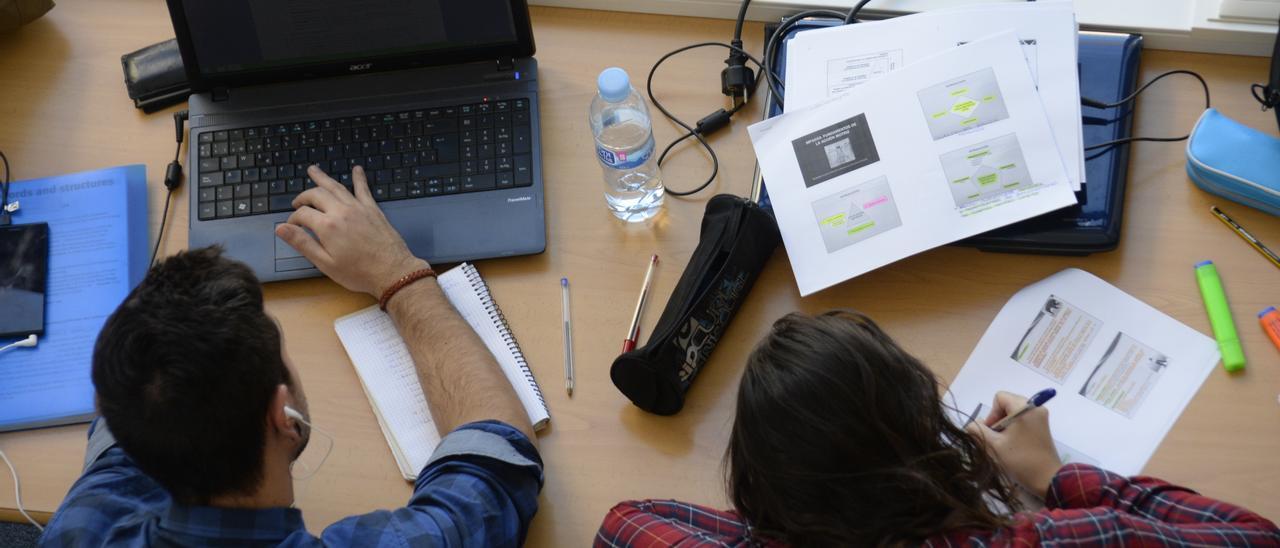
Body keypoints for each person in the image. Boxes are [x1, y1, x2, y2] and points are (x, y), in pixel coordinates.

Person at [41, 166, 543, 547]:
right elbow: (496, 460)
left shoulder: (85, 526)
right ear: (285, 416)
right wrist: (396, 274)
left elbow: (128, 390)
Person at [596, 311, 1280, 547]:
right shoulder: (1051, 538)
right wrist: (1049, 474)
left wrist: (785, 518)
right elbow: (1255, 538)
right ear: (923, 440)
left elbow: (624, 522)